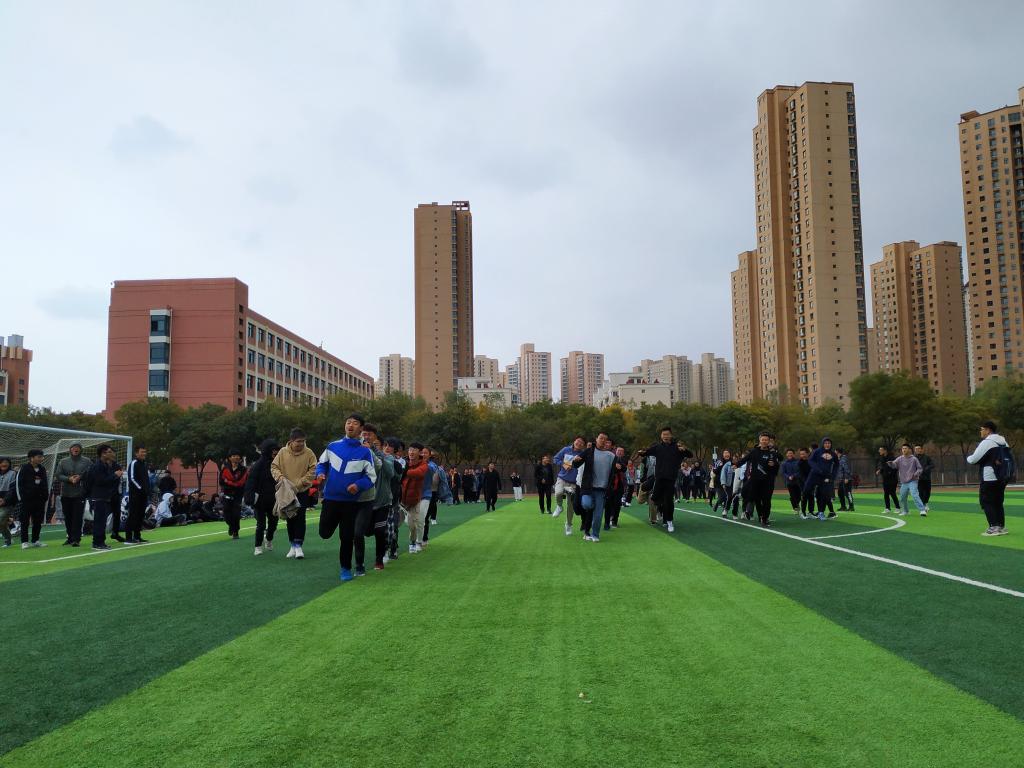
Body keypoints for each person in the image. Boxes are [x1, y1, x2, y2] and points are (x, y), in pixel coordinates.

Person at [317, 413, 378, 581]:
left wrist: (358, 485)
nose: (350, 425)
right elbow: (322, 463)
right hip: (330, 499)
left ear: (361, 428)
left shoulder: (365, 452)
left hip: (351, 503)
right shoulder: (333, 446)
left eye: (355, 423)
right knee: (324, 533)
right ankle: (331, 525)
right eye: (348, 422)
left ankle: (345, 569)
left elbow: (371, 477)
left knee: (346, 537)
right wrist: (320, 473)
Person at [636, 426, 693, 533]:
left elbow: (690, 455)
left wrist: (684, 450)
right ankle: (659, 508)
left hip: (670, 479)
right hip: (659, 478)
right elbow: (647, 452)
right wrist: (641, 452)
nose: (665, 436)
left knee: (669, 501)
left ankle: (669, 521)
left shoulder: (677, 447)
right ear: (661, 436)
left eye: (667, 434)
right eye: (663, 435)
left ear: (671, 435)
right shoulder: (658, 447)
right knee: (655, 498)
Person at [271, 428, 318, 559]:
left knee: (300, 516)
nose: (301, 444)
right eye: (298, 441)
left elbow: (314, 469)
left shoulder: (309, 453)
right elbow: (274, 467)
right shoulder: (282, 452)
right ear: (291, 441)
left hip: (302, 490)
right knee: (290, 517)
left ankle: (298, 545)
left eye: (303, 441)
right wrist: (280, 477)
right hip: (286, 491)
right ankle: (292, 545)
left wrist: (302, 482)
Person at [570, 433, 620, 541]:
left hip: (602, 490)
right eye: (601, 438)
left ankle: (595, 534)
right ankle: (590, 517)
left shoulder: (611, 456)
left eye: (605, 439)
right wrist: (575, 460)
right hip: (588, 487)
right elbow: (576, 464)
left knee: (598, 515)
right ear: (596, 439)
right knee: (587, 504)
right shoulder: (589, 452)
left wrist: (619, 467)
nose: (603, 440)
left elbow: (621, 468)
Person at [966, 420, 1012, 536]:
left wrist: (968, 458)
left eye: (982, 429)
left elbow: (974, 459)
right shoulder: (1004, 442)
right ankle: (1001, 527)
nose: (980, 431)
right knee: (998, 501)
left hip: (989, 476)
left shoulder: (987, 442)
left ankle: (993, 527)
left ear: (988, 430)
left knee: (986, 501)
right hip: (1002, 476)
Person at [358, 424, 393, 572]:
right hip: (364, 501)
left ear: (375, 438)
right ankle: (359, 563)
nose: (366, 437)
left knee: (379, 531)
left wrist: (371, 452)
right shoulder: (357, 453)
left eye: (369, 434)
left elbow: (390, 473)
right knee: (361, 532)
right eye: (364, 434)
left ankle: (379, 560)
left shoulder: (386, 457)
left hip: (382, 501)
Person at [736, 432, 783, 527]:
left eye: (766, 440)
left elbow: (778, 462)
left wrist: (774, 464)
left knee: (766, 500)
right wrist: (736, 465)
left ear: (769, 441)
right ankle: (759, 515)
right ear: (760, 441)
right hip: (755, 480)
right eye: (763, 440)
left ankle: (765, 519)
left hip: (767, 481)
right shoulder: (754, 451)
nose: (764, 441)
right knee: (755, 499)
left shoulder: (772, 453)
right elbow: (745, 459)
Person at [84, 444, 124, 550]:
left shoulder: (104, 465)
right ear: (103, 454)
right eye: (109, 452)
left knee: (102, 521)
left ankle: (101, 542)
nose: (112, 454)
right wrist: (115, 475)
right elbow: (101, 481)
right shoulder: (98, 466)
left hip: (104, 496)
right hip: (98, 497)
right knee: (99, 521)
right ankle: (97, 543)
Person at [244, 439, 279, 555]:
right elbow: (251, 482)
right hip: (260, 500)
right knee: (261, 524)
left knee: (273, 524)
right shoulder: (257, 465)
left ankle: (268, 539)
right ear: (267, 451)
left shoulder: (278, 464)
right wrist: (249, 497)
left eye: (276, 450)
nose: (275, 452)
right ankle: (258, 546)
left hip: (274, 499)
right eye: (273, 450)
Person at [56, 442, 92, 546]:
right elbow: (58, 475)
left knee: (77, 517)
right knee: (67, 517)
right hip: (66, 493)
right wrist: (69, 479)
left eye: (77, 447)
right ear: (70, 449)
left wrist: (80, 477)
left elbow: (91, 473)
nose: (75, 449)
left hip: (80, 493)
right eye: (73, 447)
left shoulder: (87, 461)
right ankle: (70, 537)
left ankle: (76, 539)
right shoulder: (63, 461)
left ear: (81, 449)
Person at [15, 449, 49, 549]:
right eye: (39, 457)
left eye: (42, 456)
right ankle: (24, 542)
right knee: (25, 521)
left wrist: (45, 496)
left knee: (37, 521)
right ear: (31, 458)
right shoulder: (24, 468)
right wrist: (22, 498)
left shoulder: (42, 469)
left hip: (40, 500)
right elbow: (19, 484)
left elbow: (45, 483)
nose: (41, 458)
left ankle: (35, 540)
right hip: (26, 500)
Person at [400, 443, 430, 554]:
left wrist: (404, 471)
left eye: (414, 450)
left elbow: (419, 473)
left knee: (415, 523)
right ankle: (392, 547)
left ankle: (416, 542)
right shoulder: (404, 462)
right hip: (402, 499)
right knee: (403, 523)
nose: (411, 452)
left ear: (420, 452)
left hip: (415, 499)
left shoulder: (423, 465)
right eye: (410, 449)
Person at [552, 436, 586, 530]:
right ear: (574, 441)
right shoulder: (566, 449)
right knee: (558, 493)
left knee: (570, 506)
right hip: (562, 478)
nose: (579, 443)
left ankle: (568, 525)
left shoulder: (583, 454)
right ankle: (559, 506)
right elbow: (555, 459)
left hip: (574, 483)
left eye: (581, 442)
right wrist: (563, 464)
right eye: (578, 441)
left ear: (583, 445)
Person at [887, 443, 927, 517]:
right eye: (903, 448)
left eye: (905, 448)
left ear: (909, 450)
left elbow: (920, 468)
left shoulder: (914, 459)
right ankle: (905, 511)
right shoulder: (899, 459)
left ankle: (922, 510)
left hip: (913, 481)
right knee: (902, 497)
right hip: (904, 482)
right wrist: (890, 464)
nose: (904, 450)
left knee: (914, 495)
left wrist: (916, 474)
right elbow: (894, 465)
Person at [805, 437, 839, 521]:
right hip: (814, 475)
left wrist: (832, 475)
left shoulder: (833, 454)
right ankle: (806, 511)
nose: (827, 445)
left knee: (823, 495)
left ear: (831, 444)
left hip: (825, 477)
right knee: (806, 491)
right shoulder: (817, 451)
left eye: (829, 443)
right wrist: (818, 469)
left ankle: (821, 512)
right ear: (823, 444)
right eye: (825, 443)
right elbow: (810, 461)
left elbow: (837, 465)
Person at [218, 450, 248, 539]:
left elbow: (241, 483)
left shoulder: (243, 469)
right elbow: (221, 481)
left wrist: (228, 481)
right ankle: (231, 526)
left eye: (238, 455)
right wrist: (232, 483)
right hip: (227, 494)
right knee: (226, 512)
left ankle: (236, 531)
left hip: (238, 494)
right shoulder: (225, 469)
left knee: (236, 513)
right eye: (234, 455)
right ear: (230, 458)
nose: (236, 457)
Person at [125, 445, 150, 545]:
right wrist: (141, 488)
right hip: (135, 494)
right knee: (133, 515)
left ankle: (137, 536)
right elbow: (132, 478)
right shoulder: (134, 463)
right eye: (142, 452)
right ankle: (128, 538)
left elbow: (146, 479)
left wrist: (147, 490)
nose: (144, 454)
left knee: (140, 515)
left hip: (143, 495)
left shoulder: (144, 464)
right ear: (136, 453)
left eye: (145, 452)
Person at [603, 445, 627, 530]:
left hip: (619, 486)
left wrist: (620, 466)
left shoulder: (623, 460)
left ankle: (614, 521)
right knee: (608, 504)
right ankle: (606, 523)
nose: (619, 452)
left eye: (621, 451)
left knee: (617, 504)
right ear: (615, 451)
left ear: (623, 453)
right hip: (609, 485)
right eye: (618, 450)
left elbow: (624, 468)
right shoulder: (610, 458)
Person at [875, 446, 901, 514]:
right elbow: (883, 467)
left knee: (892, 493)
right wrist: (880, 470)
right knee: (886, 493)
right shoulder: (882, 458)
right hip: (885, 479)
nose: (879, 451)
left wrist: (889, 473)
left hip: (892, 479)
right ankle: (887, 508)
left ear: (885, 450)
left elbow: (895, 468)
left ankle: (897, 508)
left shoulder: (892, 458)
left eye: (880, 450)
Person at [712, 449, 734, 516]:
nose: (726, 454)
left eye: (728, 453)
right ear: (723, 455)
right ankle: (717, 504)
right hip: (719, 483)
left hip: (729, 483)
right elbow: (714, 471)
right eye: (725, 453)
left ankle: (725, 511)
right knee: (722, 497)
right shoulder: (719, 462)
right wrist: (721, 466)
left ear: (730, 454)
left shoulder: (732, 462)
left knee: (728, 497)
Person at [913, 445, 934, 513]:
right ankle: (923, 506)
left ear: (922, 449)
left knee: (927, 491)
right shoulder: (913, 458)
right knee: (920, 492)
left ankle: (926, 502)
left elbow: (932, 465)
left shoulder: (927, 457)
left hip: (926, 477)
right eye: (916, 449)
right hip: (918, 478)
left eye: (918, 448)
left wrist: (926, 469)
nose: (917, 450)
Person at [0, 457, 16, 547]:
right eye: (2, 462)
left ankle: (7, 539)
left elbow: (12, 489)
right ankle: (8, 539)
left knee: (0, 521)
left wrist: (4, 500)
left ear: (9, 464)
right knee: (2, 523)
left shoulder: (13, 473)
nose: (4, 464)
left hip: (8, 503)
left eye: (6, 462)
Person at [780, 449, 801, 514]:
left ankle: (797, 505)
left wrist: (794, 476)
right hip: (789, 482)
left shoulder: (798, 462)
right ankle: (795, 508)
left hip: (798, 482)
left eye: (791, 453)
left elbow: (800, 471)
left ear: (793, 454)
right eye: (788, 453)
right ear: (786, 454)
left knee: (799, 496)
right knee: (792, 496)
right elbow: (783, 473)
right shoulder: (784, 463)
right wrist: (788, 477)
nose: (790, 454)